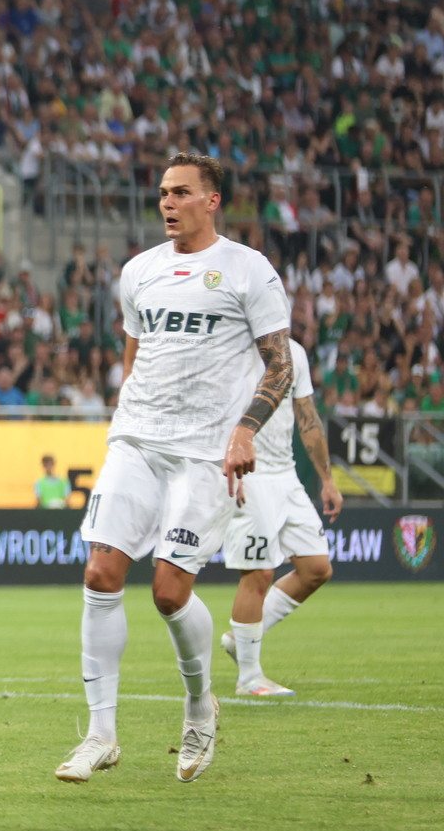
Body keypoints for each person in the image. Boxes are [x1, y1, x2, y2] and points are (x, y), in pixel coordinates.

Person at [57, 152, 293, 785]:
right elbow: (134, 356)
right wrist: (126, 418)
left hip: (206, 453)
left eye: (181, 192)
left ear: (211, 201)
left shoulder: (248, 269)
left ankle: (198, 705)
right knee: (100, 572)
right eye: (163, 192)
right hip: (137, 441)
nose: (167, 202)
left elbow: (280, 364)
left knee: (168, 591)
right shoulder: (139, 272)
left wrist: (245, 429)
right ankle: (100, 735)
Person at [219, 335, 342, 697]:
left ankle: (240, 639)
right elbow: (211, 413)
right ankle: (249, 677)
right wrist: (223, 467)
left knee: (316, 568)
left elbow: (308, 419)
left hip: (286, 475)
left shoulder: (294, 352)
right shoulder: (229, 347)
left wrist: (327, 480)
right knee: (258, 572)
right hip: (249, 473)